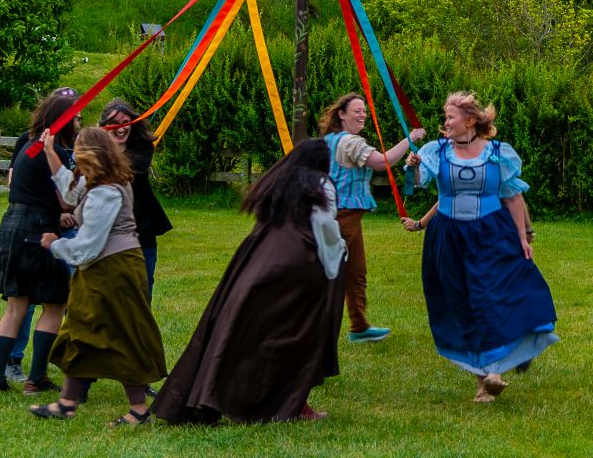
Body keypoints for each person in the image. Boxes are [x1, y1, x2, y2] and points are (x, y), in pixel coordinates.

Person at [151, 139, 347, 424]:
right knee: (297, 337)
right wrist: (336, 259)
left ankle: (221, 396)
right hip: (295, 268)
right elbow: (325, 227)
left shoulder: (280, 181)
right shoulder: (320, 183)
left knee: (242, 332)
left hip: (256, 263)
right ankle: (288, 403)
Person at [402, 92, 557, 403]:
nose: (445, 122)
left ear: (469, 121)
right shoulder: (436, 151)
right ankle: (481, 383)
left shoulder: (498, 153)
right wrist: (414, 167)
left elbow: (512, 197)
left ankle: (495, 371)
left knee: (489, 296)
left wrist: (523, 237)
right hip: (448, 237)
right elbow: (419, 182)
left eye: (450, 116)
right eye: (446, 117)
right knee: (463, 305)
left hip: (490, 234)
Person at [28, 126, 167, 425]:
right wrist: (50, 151)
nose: (74, 157)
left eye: (78, 151)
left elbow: (89, 246)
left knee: (121, 333)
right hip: (100, 270)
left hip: (114, 271)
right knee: (79, 329)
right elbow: (69, 189)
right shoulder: (99, 185)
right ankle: (67, 402)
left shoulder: (106, 193)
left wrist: (57, 245)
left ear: (90, 155)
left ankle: (139, 409)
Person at [0, 87, 79, 395]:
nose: (79, 125)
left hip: (10, 225)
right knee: (55, 305)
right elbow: (67, 200)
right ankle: (36, 379)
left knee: (15, 307)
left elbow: (27, 188)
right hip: (38, 231)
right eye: (76, 119)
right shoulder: (56, 153)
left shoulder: (28, 146)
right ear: (62, 121)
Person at [318, 93, 423, 343]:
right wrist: (411, 138)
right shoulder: (350, 143)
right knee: (327, 271)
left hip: (336, 213)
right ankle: (309, 324)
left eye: (364, 110)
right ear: (341, 114)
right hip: (342, 215)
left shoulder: (329, 140)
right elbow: (382, 162)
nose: (362, 114)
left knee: (356, 271)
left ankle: (359, 326)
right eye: (356, 110)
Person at [99, 100, 173, 299]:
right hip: (105, 233)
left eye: (126, 122)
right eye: (115, 123)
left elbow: (130, 172)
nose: (121, 128)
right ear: (104, 126)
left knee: (141, 292)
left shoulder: (142, 146)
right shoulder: (95, 150)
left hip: (140, 230)